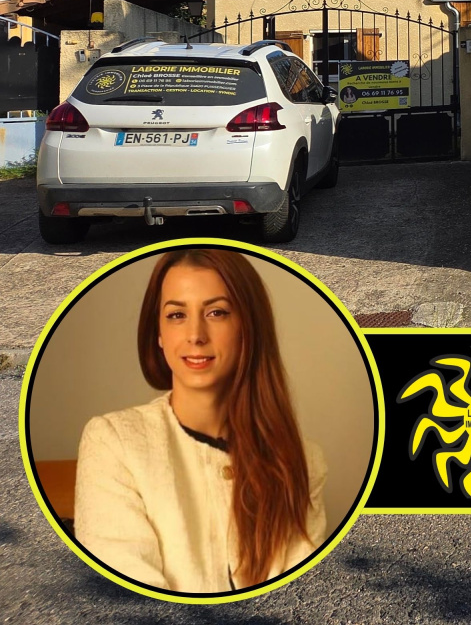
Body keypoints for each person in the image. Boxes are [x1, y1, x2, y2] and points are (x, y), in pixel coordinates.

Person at [72, 249, 328, 593]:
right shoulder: (113, 441)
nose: (195, 334)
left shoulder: (304, 460)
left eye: (216, 312)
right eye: (176, 315)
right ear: (159, 334)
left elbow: (303, 596)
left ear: (248, 328)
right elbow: (131, 601)